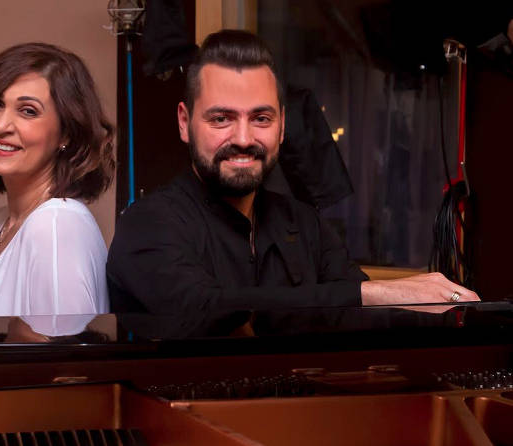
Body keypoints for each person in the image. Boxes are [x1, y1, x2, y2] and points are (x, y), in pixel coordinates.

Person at [106, 30, 479, 315]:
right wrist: (374, 292)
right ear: (184, 123)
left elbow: (351, 318)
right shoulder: (147, 225)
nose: (243, 139)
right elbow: (202, 310)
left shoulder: (305, 225)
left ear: (282, 126)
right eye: (221, 118)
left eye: (261, 118)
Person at [0, 43, 114, 317]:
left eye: (28, 111)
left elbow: (67, 345)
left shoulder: (56, 225)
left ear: (66, 134)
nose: (1, 126)